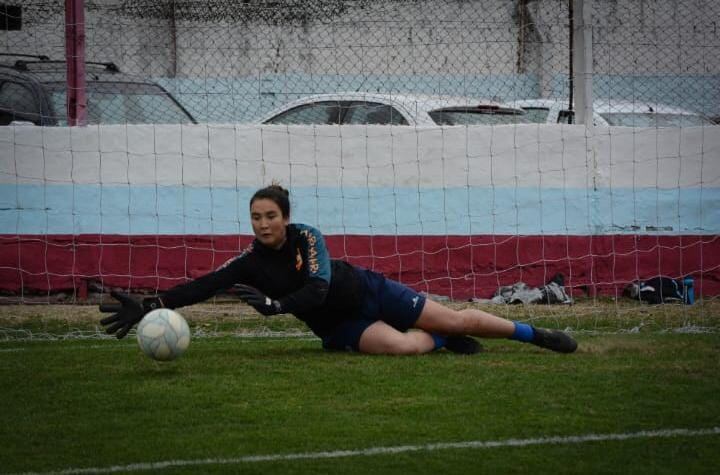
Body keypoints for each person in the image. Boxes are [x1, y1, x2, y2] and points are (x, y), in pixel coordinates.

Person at [100, 184, 577, 355]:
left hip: (369, 292)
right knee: (402, 348)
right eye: (255, 216)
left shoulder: (308, 237)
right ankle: (441, 342)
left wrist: (278, 306)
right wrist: (152, 304)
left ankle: (535, 335)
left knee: (454, 316)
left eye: (271, 215)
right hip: (340, 325)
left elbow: (317, 286)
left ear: (285, 217)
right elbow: (204, 285)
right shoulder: (248, 261)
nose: (263, 223)